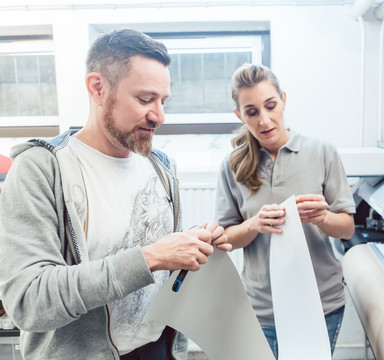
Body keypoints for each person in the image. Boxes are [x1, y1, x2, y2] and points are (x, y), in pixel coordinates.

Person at [0, 29, 231, 360]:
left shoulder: (161, 167)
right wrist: (151, 256)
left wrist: (191, 244)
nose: (159, 116)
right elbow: (29, 302)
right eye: (144, 99)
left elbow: (157, 261)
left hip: (160, 351)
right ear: (97, 88)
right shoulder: (40, 170)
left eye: (163, 101)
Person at [215, 63, 356, 358]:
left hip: (320, 304)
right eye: (252, 112)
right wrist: (254, 224)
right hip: (262, 309)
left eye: (271, 106)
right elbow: (226, 239)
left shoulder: (322, 152)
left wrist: (324, 217)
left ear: (284, 100)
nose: (264, 120)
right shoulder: (232, 166)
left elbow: (347, 228)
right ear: (239, 115)